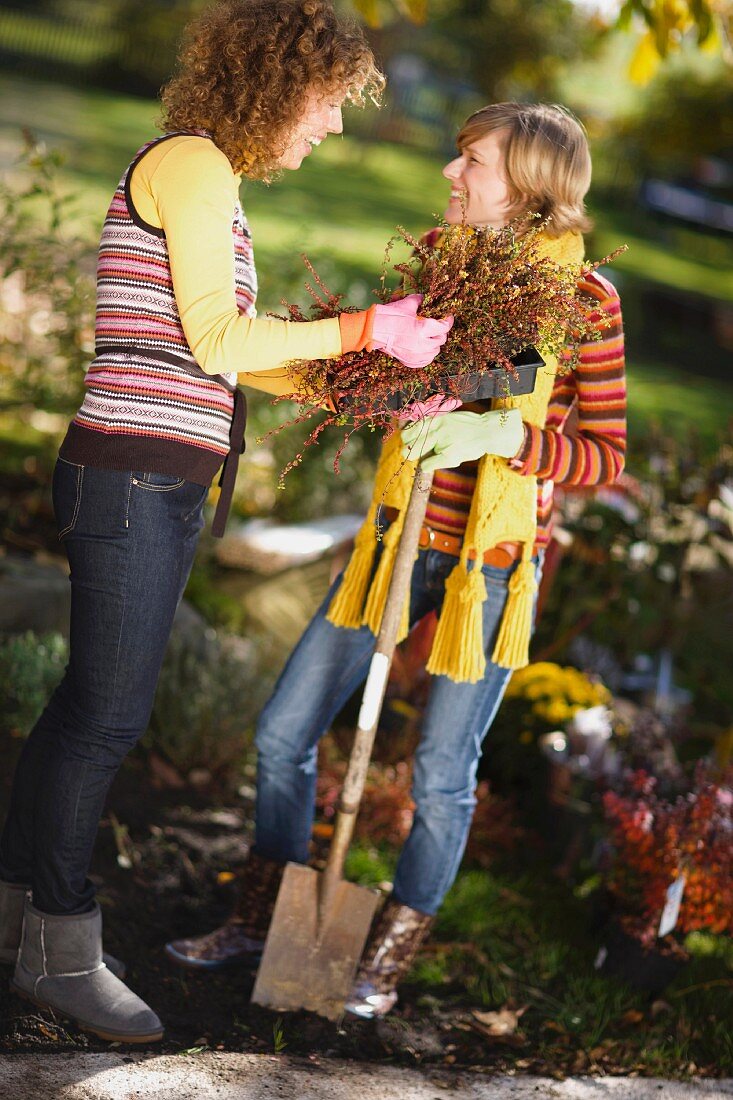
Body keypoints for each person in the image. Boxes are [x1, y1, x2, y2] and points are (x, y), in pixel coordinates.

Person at [0, 0, 452, 1044]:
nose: (333, 127)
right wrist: (363, 324)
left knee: (83, 709)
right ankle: (60, 950)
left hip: (147, 478)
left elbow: (238, 351)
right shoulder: (194, 167)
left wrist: (368, 385)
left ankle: (19, 910)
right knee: (108, 718)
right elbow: (215, 338)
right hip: (133, 480)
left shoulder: (211, 177)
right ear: (279, 80)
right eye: (331, 102)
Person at [167, 102, 627, 1017]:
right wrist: (237, 351)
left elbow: (605, 454)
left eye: (474, 164)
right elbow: (375, 367)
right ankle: (264, 916)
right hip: (393, 541)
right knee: (282, 732)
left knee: (441, 773)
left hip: (486, 568)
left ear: (530, 189)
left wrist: (506, 433)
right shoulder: (440, 260)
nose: (451, 176)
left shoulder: (586, 304)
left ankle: (385, 956)